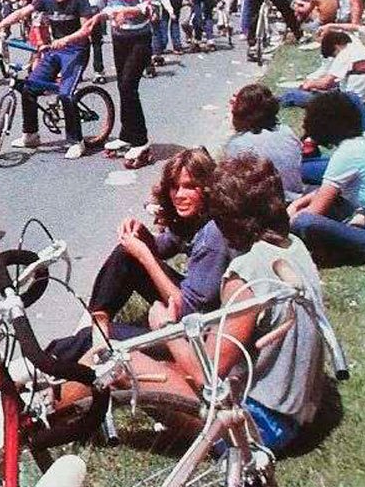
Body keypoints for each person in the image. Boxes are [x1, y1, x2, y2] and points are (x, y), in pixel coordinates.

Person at [71, 154, 329, 456]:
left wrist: (167, 328)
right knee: (136, 358)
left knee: (108, 356)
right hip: (292, 412)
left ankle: (39, 423)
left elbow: (207, 376)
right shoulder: (291, 248)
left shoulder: (246, 274)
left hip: (254, 428)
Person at [46, 148, 233, 362]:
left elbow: (188, 311)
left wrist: (144, 255)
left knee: (90, 339)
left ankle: (42, 364)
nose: (179, 195)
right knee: (126, 254)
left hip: (200, 336)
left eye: (190, 187)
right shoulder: (197, 217)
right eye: (174, 186)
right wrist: (143, 235)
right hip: (192, 312)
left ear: (208, 188)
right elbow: (164, 247)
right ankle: (99, 318)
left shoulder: (213, 237)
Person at [0, 0, 97, 160]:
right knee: (29, 87)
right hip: (54, 50)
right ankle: (31, 134)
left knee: (66, 94)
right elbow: (22, 13)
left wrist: (66, 40)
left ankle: (76, 141)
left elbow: (87, 30)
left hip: (76, 51)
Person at [288, 92, 365, 261]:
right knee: (313, 201)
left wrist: (287, 220)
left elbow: (316, 210)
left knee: (304, 222)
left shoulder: (348, 153)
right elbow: (327, 192)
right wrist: (298, 202)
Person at [102, 0, 155, 166]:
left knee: (128, 86)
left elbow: (150, 6)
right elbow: (111, 5)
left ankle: (140, 139)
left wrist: (129, 11)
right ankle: (126, 134)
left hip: (139, 39)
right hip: (119, 38)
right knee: (122, 87)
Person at [224, 84, 304, 199]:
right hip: (296, 195)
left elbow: (234, 186)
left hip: (269, 205)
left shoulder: (237, 145)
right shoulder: (285, 131)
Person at [279, 31, 365, 123]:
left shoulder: (344, 54)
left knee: (292, 94)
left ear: (336, 47)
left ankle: (273, 102)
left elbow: (326, 83)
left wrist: (309, 84)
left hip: (349, 103)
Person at [73, 0, 109, 82]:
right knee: (82, 44)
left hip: (95, 12)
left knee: (97, 43)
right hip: (82, 13)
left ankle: (98, 71)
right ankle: (78, 71)